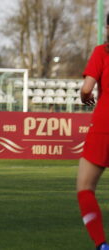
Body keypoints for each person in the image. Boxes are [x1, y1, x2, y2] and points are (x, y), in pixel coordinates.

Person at [77, 14, 109, 250]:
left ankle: (101, 244)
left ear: (107, 27)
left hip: (104, 125)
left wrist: (85, 96)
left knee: (85, 189)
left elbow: (87, 88)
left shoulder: (102, 52)